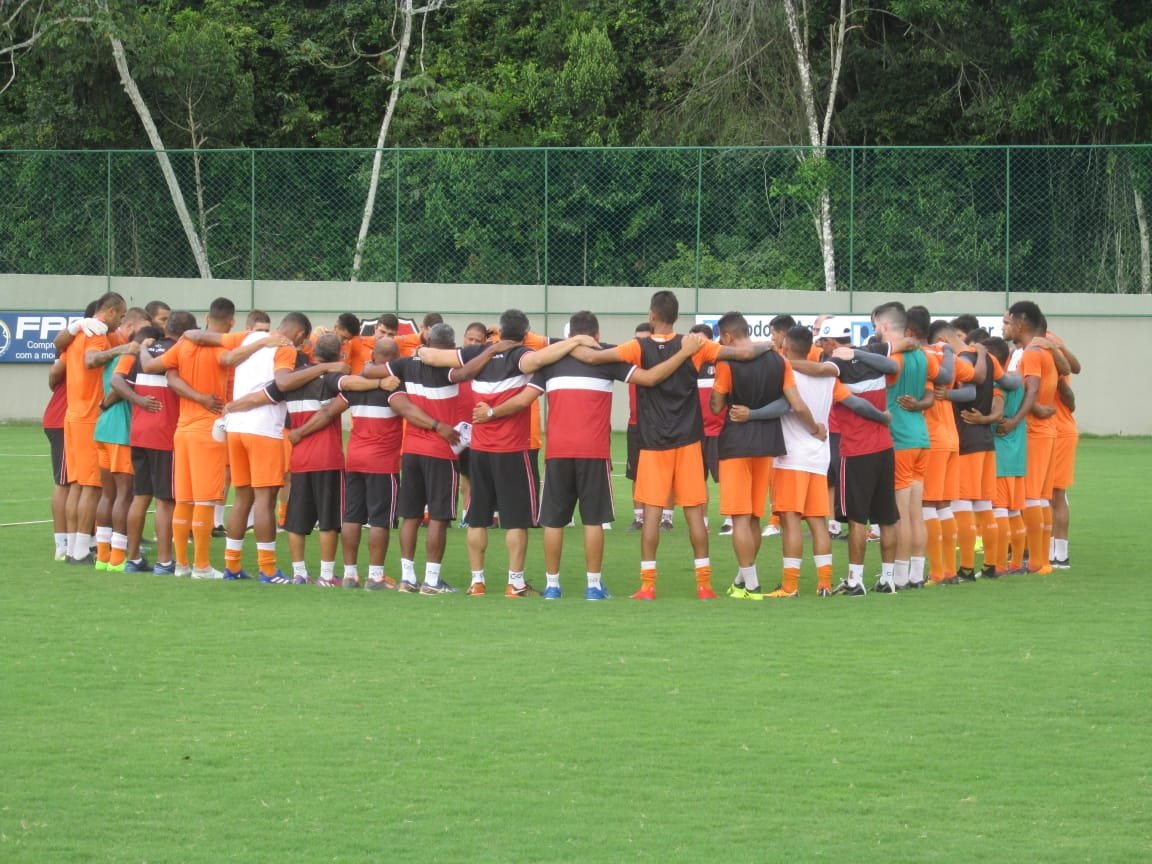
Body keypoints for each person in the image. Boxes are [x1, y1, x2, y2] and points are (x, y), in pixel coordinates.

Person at [481, 311, 704, 600]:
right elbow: (650, 379)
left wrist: (491, 412)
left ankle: (552, 586)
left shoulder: (551, 362)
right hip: (594, 453)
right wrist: (684, 353)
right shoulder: (606, 359)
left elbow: (523, 400)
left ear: (570, 335)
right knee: (593, 521)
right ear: (596, 335)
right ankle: (594, 586)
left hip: (557, 452)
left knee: (553, 522)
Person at [572, 291, 773, 601]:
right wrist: (771, 345)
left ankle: (647, 587)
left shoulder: (637, 347)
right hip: (689, 441)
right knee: (695, 516)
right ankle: (704, 586)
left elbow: (593, 358)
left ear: (652, 315)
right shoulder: (695, 345)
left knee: (652, 516)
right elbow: (744, 354)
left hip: (653, 444)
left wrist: (571, 343)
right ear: (676, 317)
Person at [416, 309, 596, 597]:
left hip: (479, 451)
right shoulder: (521, 356)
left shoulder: (477, 353)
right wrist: (575, 341)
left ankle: (477, 582)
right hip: (512, 450)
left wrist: (422, 350)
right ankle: (515, 582)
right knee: (516, 520)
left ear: (499, 331)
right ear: (525, 333)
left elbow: (431, 356)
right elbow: (539, 361)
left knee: (477, 518)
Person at [155, 297, 282, 579]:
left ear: (207, 317)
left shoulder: (184, 344)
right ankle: (201, 566)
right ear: (232, 322)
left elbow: (157, 368)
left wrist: (140, 350)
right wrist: (262, 342)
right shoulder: (224, 346)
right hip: (208, 429)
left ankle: (181, 564)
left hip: (182, 430)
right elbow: (229, 358)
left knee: (184, 500)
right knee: (204, 500)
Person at [710, 317, 823, 599]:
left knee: (739, 518)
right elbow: (792, 402)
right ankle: (741, 581)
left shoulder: (726, 363)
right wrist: (815, 429)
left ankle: (752, 585)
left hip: (736, 442)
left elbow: (716, 405)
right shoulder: (779, 360)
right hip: (767, 444)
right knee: (753, 517)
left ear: (727, 336)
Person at [53, 292, 135, 565]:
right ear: (110, 312)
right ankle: (79, 551)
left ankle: (73, 546)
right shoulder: (97, 334)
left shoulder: (79, 334)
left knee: (77, 486)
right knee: (90, 487)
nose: (120, 321)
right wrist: (122, 350)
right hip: (89, 417)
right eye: (120, 315)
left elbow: (61, 351)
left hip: (73, 415)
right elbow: (91, 360)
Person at [871, 302, 946, 590]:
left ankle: (900, 575)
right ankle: (916, 572)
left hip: (900, 438)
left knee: (900, 512)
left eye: (876, 326)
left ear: (885, 326)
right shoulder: (923, 357)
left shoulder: (895, 358)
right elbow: (939, 381)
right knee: (916, 511)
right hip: (920, 436)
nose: (875, 331)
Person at [113, 310, 195, 575]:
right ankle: (164, 561)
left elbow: (117, 381)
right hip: (165, 434)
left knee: (140, 497)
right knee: (165, 501)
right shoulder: (180, 352)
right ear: (187, 332)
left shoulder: (143, 349)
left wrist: (138, 400)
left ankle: (133, 559)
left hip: (139, 432)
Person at [1000, 301, 1070, 576]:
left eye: (1007, 322)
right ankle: (1041, 561)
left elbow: (1032, 390)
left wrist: (1015, 419)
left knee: (1031, 496)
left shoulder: (1031, 353)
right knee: (1040, 498)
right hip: (1047, 430)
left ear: (1021, 323)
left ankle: (1035, 561)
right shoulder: (1043, 351)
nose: (1004, 327)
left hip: (1035, 432)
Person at [92, 314, 151, 571]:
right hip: (120, 430)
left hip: (103, 428)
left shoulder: (113, 356)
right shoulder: (130, 357)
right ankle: (117, 557)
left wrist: (104, 404)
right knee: (124, 495)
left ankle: (102, 556)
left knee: (108, 494)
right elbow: (118, 386)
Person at [690, 323, 727, 535]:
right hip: (696, 432)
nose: (697, 344)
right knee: (697, 480)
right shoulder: (688, 364)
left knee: (726, 479)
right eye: (693, 339)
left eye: (700, 340)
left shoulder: (722, 361)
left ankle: (731, 519)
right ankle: (702, 522)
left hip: (721, 431)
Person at [624, 322, 654, 532]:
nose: (640, 344)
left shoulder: (663, 364)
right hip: (635, 425)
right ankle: (639, 518)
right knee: (635, 473)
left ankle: (666, 518)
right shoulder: (629, 361)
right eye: (637, 340)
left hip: (657, 426)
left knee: (661, 475)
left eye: (644, 340)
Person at [43, 357, 69, 561]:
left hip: (71, 422)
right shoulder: (74, 349)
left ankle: (87, 540)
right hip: (62, 422)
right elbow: (54, 372)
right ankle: (62, 545)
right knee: (64, 482)